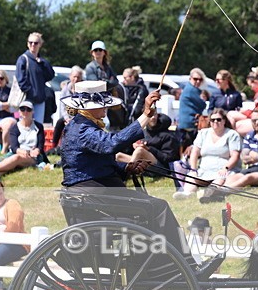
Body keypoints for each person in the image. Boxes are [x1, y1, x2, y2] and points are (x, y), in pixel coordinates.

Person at [60, 81, 188, 252]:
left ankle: (161, 265)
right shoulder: (83, 129)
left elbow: (97, 163)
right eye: (102, 104)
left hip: (95, 190)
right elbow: (111, 144)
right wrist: (145, 115)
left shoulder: (81, 125)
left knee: (152, 206)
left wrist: (126, 168)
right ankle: (182, 262)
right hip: (94, 192)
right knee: (158, 207)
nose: (106, 109)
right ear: (88, 107)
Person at [174, 108, 242, 202]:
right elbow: (195, 152)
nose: (215, 122)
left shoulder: (232, 134)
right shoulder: (203, 133)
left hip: (222, 171)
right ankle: (186, 194)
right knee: (191, 176)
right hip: (204, 171)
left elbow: (235, 156)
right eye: (212, 120)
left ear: (224, 121)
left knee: (220, 179)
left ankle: (209, 194)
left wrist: (225, 168)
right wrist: (193, 169)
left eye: (218, 119)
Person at [0, 101, 47, 177]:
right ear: (19, 112)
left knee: (16, 158)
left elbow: (40, 145)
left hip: (33, 157)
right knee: (16, 158)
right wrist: (22, 151)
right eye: (22, 109)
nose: (25, 112)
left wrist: (36, 150)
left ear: (32, 111)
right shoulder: (15, 127)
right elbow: (14, 147)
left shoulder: (38, 126)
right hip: (18, 153)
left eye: (28, 109)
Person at [15, 32, 55, 123]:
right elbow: (21, 80)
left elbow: (50, 75)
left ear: (40, 44)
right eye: (30, 42)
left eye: (36, 43)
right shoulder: (23, 59)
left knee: (38, 126)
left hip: (40, 100)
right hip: (27, 99)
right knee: (24, 126)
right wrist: (31, 92)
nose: (33, 45)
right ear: (27, 44)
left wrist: (43, 63)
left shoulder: (41, 61)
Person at [52, 66, 84, 150]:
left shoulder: (84, 90)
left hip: (80, 116)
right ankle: (54, 146)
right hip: (68, 116)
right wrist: (67, 118)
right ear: (70, 77)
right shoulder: (65, 89)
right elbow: (62, 106)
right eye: (74, 77)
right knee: (60, 122)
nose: (76, 79)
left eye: (78, 77)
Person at [177, 68, 209, 149]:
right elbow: (202, 105)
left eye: (200, 79)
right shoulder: (192, 90)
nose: (198, 81)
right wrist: (202, 101)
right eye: (195, 79)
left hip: (184, 124)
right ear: (190, 78)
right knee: (193, 148)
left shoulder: (187, 88)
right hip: (190, 124)